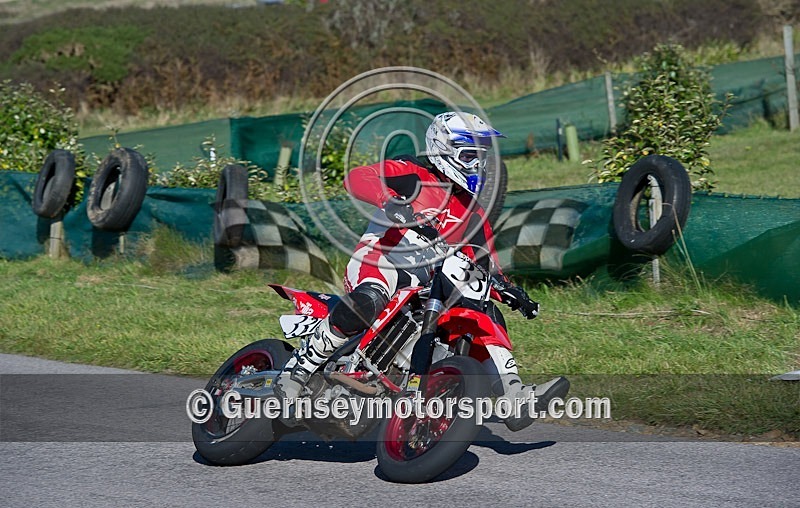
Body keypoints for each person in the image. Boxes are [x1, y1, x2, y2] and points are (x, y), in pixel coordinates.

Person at [274, 111, 569, 431]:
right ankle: (296, 373)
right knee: (371, 298)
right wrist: (390, 201)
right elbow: (358, 177)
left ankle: (514, 394)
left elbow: (484, 260)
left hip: (429, 282)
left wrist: (507, 288)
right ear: (445, 148)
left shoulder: (472, 209)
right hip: (382, 260)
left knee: (484, 309)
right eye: (469, 155)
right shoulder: (412, 172)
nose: (477, 165)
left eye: (481, 158)